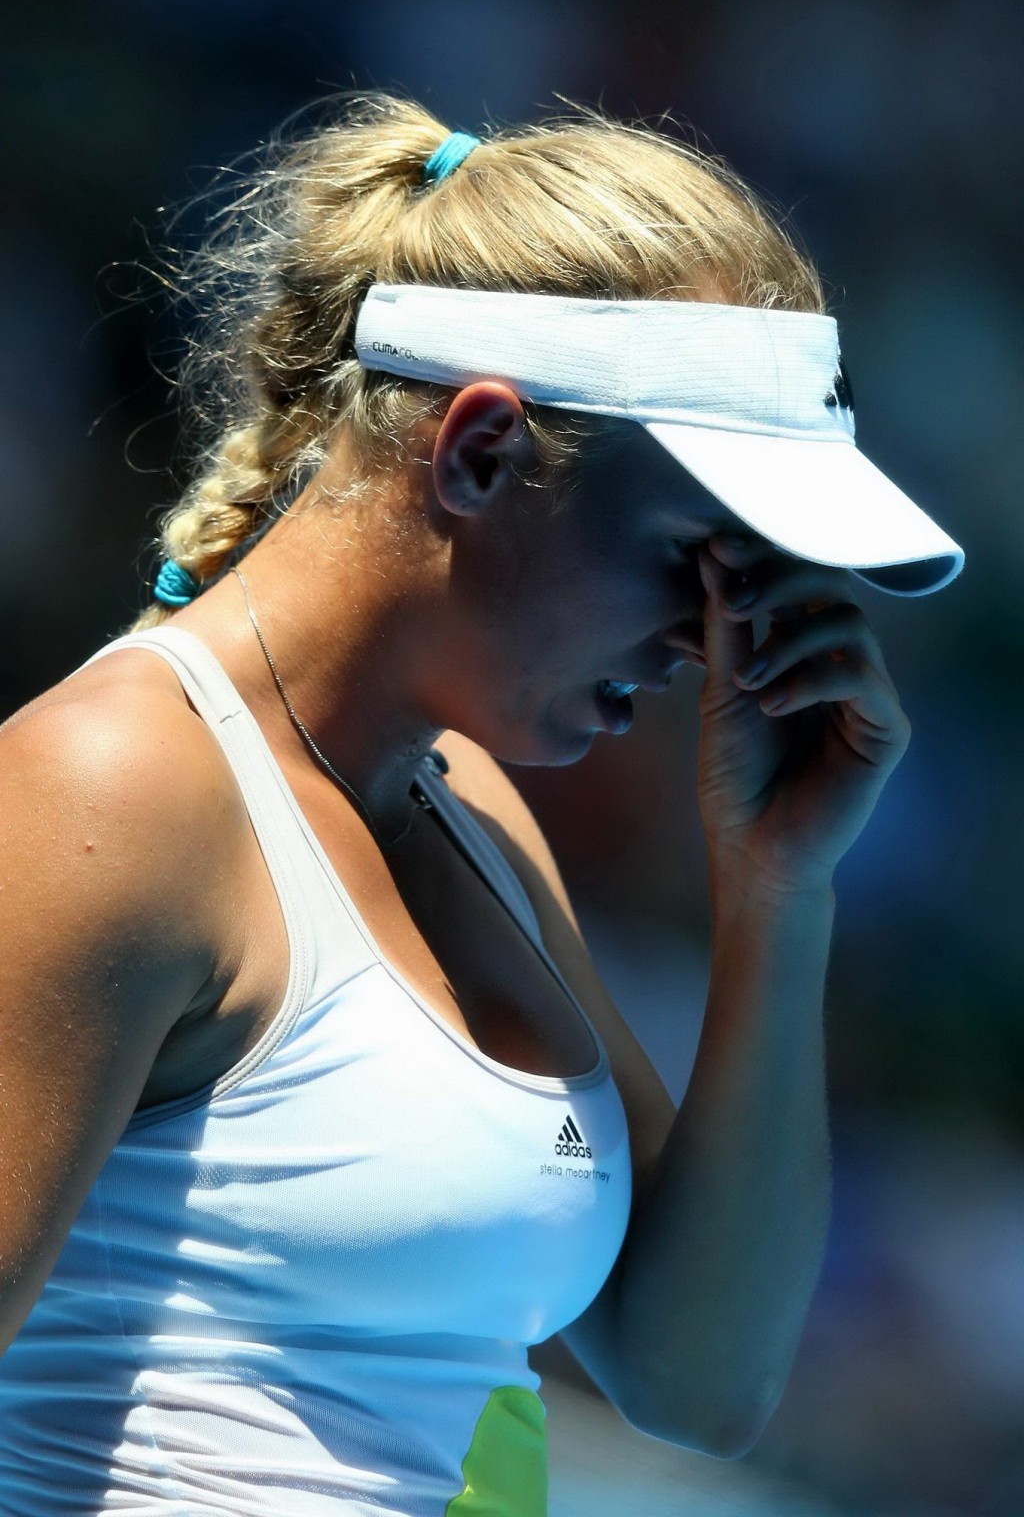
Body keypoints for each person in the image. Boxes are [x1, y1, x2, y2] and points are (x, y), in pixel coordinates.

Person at [0, 94, 963, 1515]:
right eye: (695, 558)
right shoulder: (113, 789)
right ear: (480, 452)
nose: (715, 643)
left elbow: (701, 1383)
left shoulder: (475, 816)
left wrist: (778, 893)